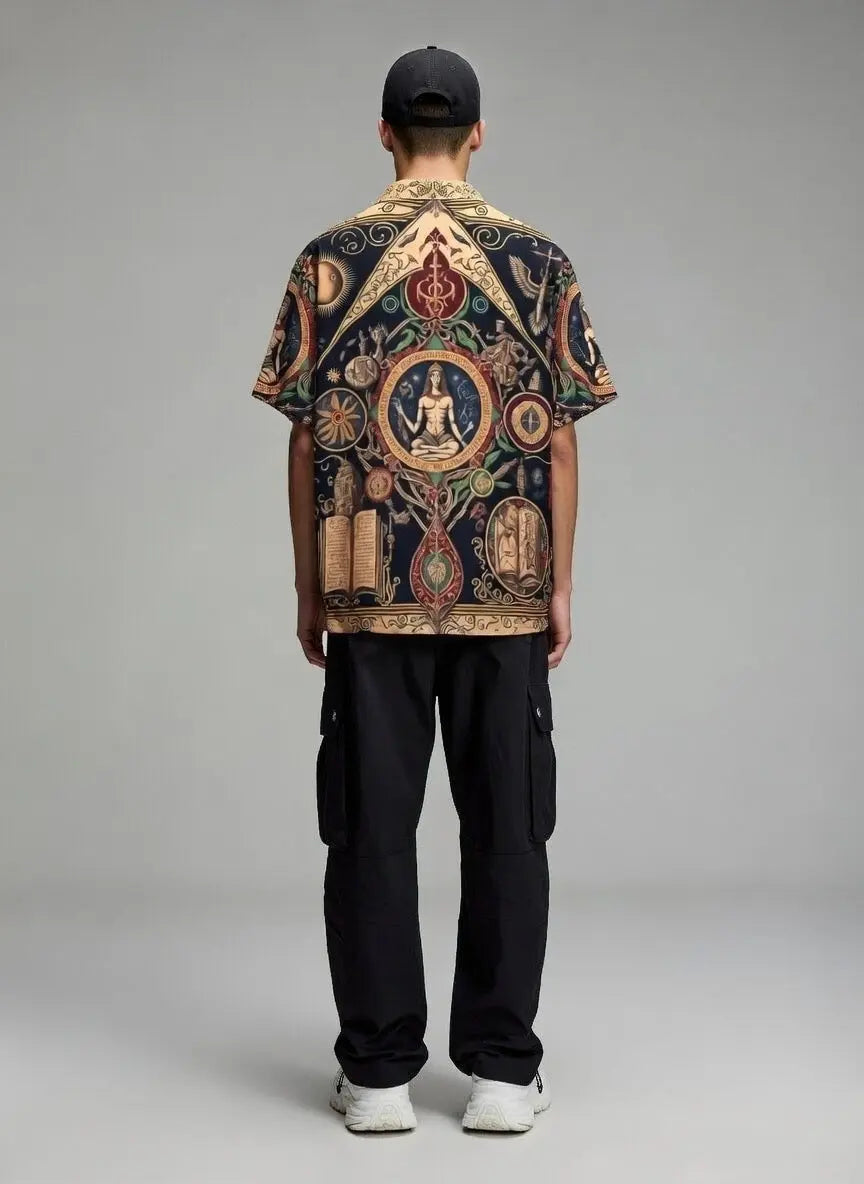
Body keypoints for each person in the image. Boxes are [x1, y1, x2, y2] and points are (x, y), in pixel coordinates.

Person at [250, 45, 618, 1134]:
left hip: (371, 593)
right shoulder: (537, 262)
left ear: (384, 134)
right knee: (510, 827)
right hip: (505, 589)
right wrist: (558, 585)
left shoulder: (328, 261)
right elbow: (558, 441)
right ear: (478, 134)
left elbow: (306, 438)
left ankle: (376, 1077)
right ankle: (501, 1073)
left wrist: (312, 584)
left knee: (369, 828)